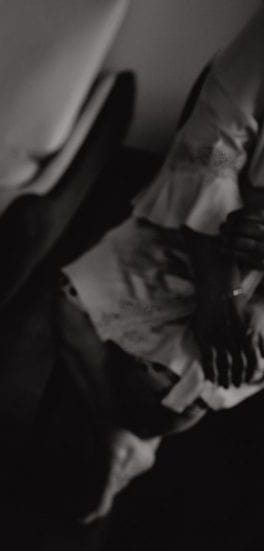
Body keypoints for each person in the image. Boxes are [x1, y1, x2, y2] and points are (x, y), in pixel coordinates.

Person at [57, 8, 264, 522]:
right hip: (209, 220)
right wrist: (219, 291)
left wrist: (245, 299)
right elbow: (215, 135)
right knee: (68, 304)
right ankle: (119, 437)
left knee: (174, 385)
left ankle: (142, 434)